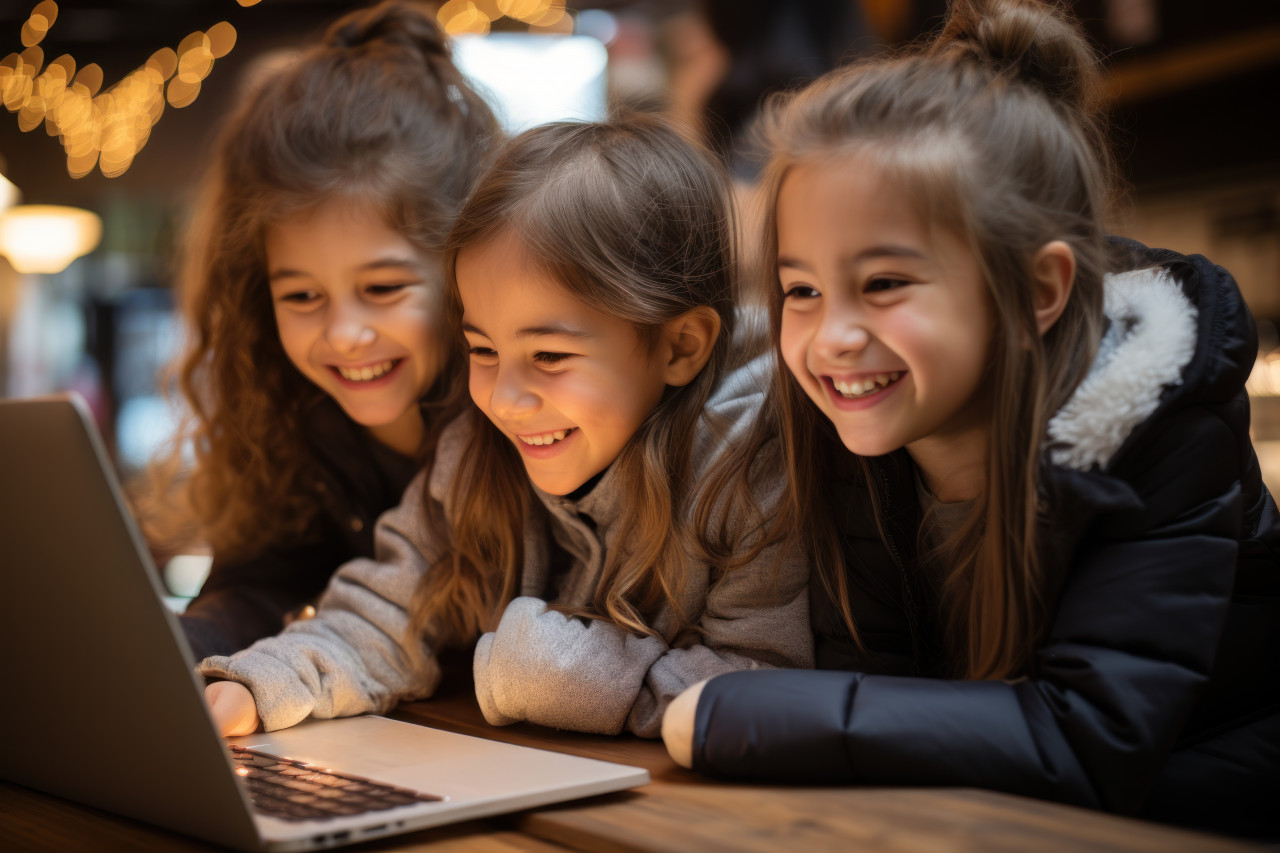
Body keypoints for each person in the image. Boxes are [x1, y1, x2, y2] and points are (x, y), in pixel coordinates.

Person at [661, 0, 1280, 838]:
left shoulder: (1164, 432)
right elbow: (884, 691)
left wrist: (738, 710)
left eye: (883, 284)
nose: (831, 337)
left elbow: (1087, 740)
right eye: (801, 289)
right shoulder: (850, 436)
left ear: (1037, 291)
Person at [198, 116, 813, 740]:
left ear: (680, 346)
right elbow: (385, 614)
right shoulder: (473, 449)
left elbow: (758, 677)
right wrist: (260, 682)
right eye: (483, 351)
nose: (506, 400)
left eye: (549, 356)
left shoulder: (750, 465)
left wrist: (564, 678)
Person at [139, 1, 499, 660]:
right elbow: (259, 583)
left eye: (383, 289)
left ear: (460, 267)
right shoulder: (290, 411)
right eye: (302, 295)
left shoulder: (522, 410)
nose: (345, 334)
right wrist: (165, 652)